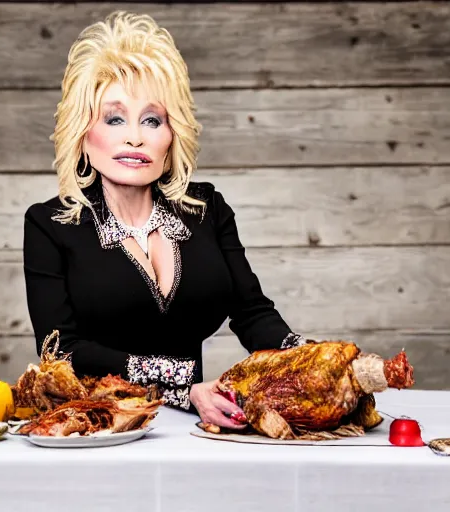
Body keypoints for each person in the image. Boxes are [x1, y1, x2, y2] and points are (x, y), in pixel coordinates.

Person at [23, 11, 305, 430]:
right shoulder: (50, 224)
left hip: (200, 426)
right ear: (83, 132)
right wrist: (180, 386)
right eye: (114, 118)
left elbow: (252, 313)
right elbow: (61, 352)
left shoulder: (206, 210)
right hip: (96, 430)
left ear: (173, 135)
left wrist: (313, 357)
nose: (135, 137)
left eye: (152, 120)